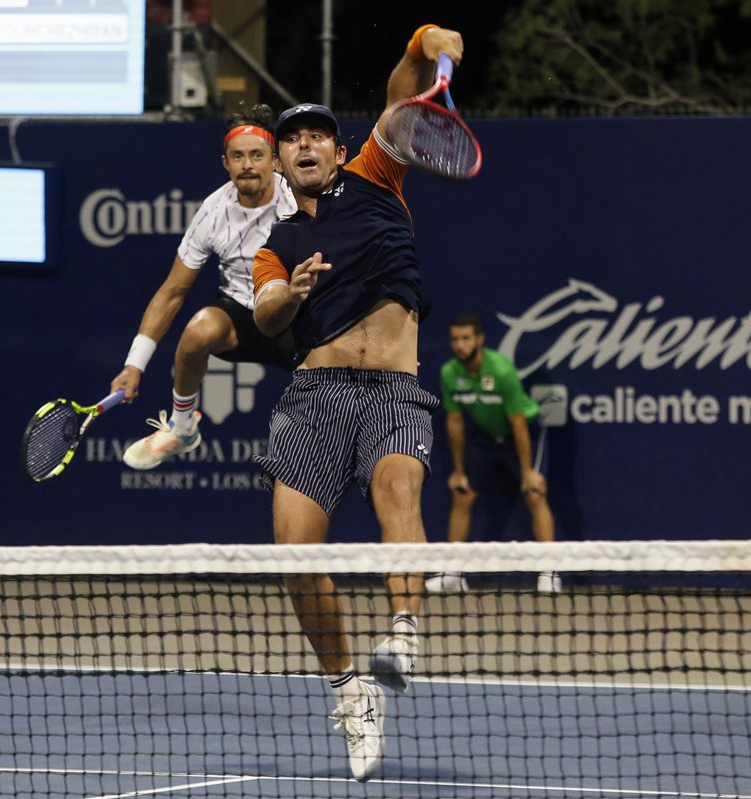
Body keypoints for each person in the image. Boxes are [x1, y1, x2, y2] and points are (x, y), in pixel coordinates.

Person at [250, 25, 464, 782]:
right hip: (314, 397)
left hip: (394, 391)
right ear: (281, 163)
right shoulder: (274, 244)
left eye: (317, 135)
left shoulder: (376, 175)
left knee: (397, 486)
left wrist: (425, 41)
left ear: (340, 152)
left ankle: (402, 633)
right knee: (294, 555)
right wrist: (291, 293)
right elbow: (266, 313)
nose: (304, 144)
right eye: (292, 139)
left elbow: (403, 92)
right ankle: (349, 691)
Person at [111, 104, 297, 469]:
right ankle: (182, 428)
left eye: (257, 155)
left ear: (274, 160)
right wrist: (134, 365)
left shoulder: (297, 200)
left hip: (294, 316)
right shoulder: (213, 211)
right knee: (198, 331)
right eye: (238, 156)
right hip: (241, 318)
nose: (247, 165)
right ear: (225, 163)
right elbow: (173, 292)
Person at [426, 312, 561, 594]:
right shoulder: (449, 373)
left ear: (480, 340)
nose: (459, 345)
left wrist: (527, 472)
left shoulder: (501, 370)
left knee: (535, 493)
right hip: (486, 437)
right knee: (462, 493)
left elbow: (518, 422)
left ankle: (549, 572)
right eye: (455, 340)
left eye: (466, 338)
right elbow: (454, 422)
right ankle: (453, 573)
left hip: (523, 432)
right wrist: (459, 471)